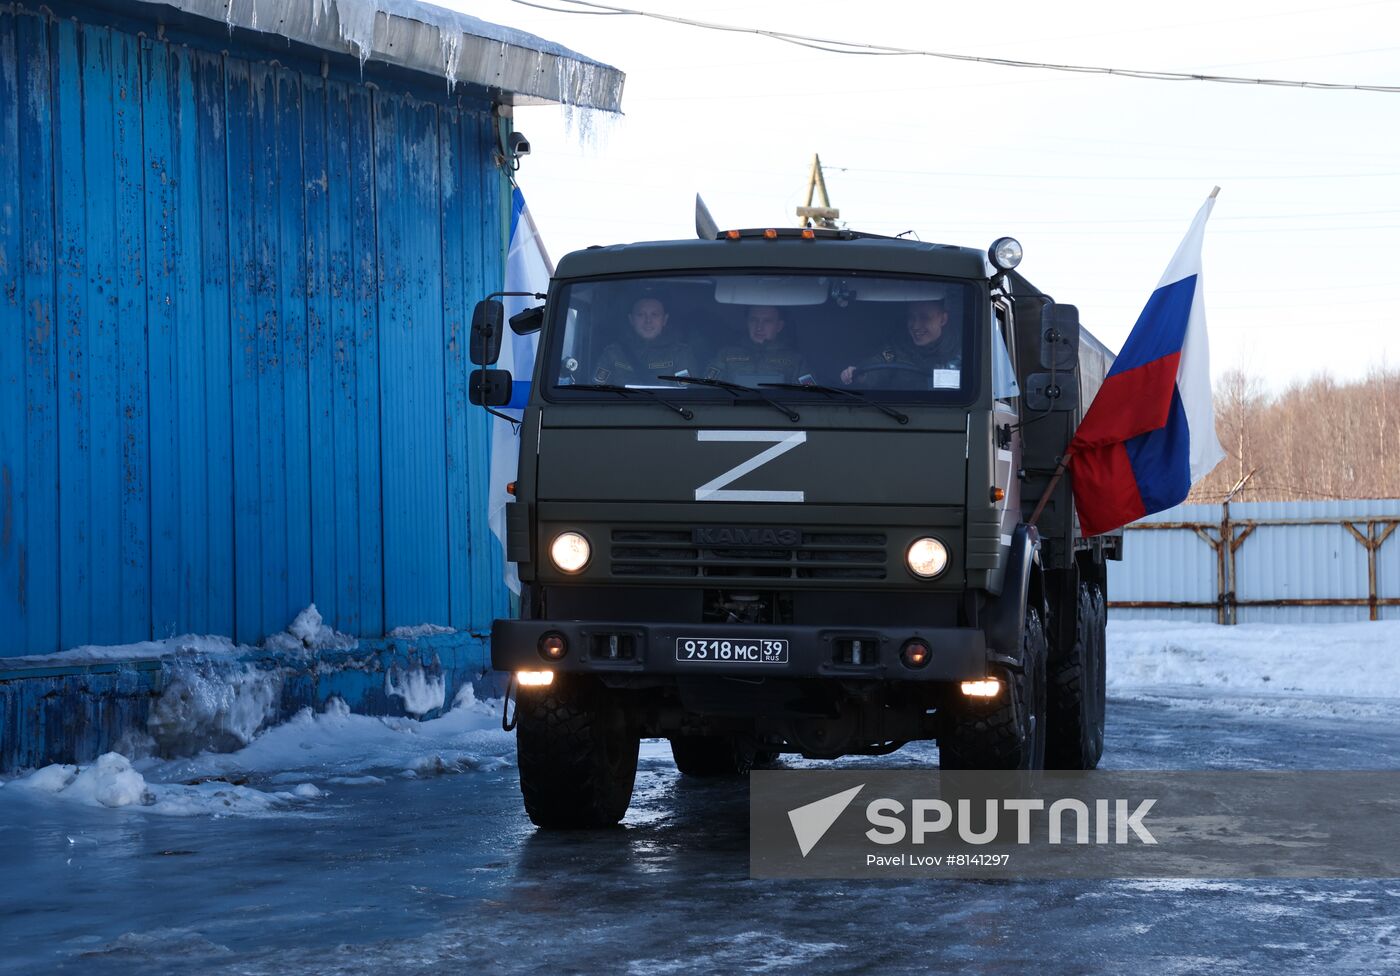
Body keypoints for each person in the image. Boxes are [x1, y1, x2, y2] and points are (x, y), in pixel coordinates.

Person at [840, 299, 961, 389]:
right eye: (911, 317)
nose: (915, 325)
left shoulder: (964, 353)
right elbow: (881, 361)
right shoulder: (896, 349)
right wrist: (862, 375)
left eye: (925, 317)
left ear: (943, 319)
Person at [592, 296, 699, 384]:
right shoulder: (613, 353)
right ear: (631, 320)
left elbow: (687, 394)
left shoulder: (680, 354)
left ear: (664, 320)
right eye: (641, 315)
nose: (648, 321)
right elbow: (597, 390)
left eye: (654, 314)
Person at [707, 305, 812, 385]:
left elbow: (810, 396)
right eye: (754, 320)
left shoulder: (795, 360)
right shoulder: (725, 355)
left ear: (779, 326)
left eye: (767, 321)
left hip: (782, 412)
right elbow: (707, 389)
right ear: (747, 323)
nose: (759, 327)